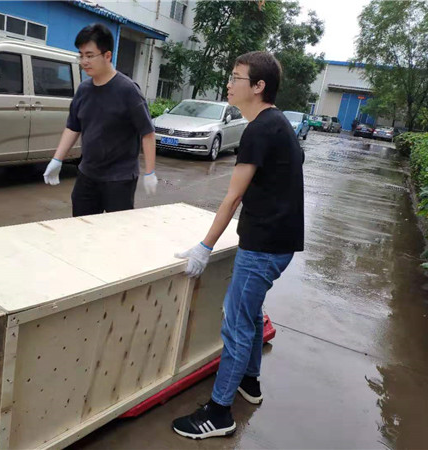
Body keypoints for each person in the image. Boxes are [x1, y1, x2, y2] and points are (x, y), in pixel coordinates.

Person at [172, 51, 304, 440]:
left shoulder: (259, 130)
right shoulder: (277, 123)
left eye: (236, 77)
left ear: (258, 86)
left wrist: (204, 247)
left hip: (263, 246)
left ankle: (219, 413)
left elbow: (232, 198)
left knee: (236, 324)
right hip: (277, 241)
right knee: (249, 314)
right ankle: (250, 381)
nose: (228, 84)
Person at [42, 23, 158, 216]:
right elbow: (73, 127)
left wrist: (150, 171)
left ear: (107, 55)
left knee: (116, 230)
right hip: (88, 174)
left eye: (89, 55)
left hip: (119, 179)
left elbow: (147, 133)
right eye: (81, 55)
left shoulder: (128, 90)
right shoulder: (84, 90)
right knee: (82, 225)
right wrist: (57, 159)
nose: (84, 61)